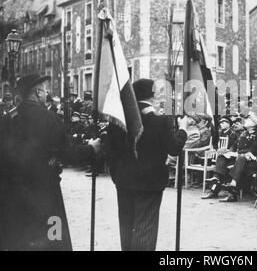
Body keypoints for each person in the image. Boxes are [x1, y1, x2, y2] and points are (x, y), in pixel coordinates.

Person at [0, 74, 101, 251]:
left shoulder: (8, 119)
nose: (46, 94)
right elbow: (68, 153)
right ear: (38, 92)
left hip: (12, 196)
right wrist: (91, 149)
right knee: (52, 241)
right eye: (45, 90)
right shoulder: (49, 118)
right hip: (44, 193)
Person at [106, 78, 188, 251]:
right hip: (149, 184)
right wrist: (183, 130)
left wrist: (117, 176)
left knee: (126, 228)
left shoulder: (117, 122)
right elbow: (174, 148)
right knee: (145, 231)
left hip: (124, 181)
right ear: (153, 96)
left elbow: (111, 152)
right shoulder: (160, 121)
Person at [202, 114, 257, 201]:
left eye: (248, 120)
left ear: (253, 124)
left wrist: (237, 153)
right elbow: (235, 145)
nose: (245, 121)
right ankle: (216, 182)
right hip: (238, 157)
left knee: (236, 162)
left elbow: (253, 150)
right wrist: (229, 150)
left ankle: (229, 193)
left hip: (248, 160)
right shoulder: (244, 133)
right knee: (222, 157)